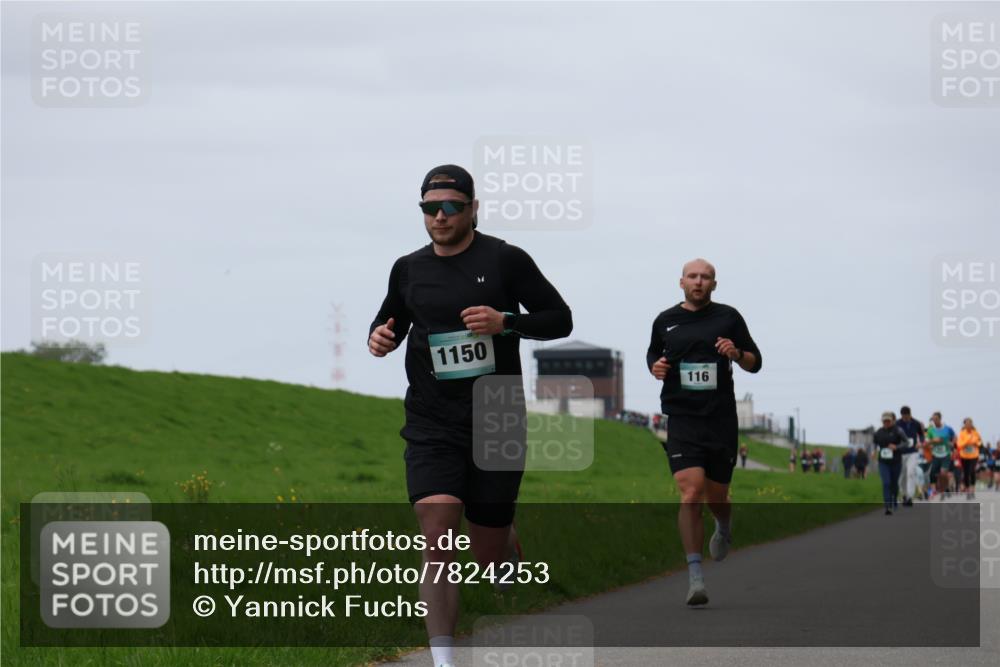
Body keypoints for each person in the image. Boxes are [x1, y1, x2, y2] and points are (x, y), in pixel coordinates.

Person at [368, 164, 573, 667]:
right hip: (432, 417)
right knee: (437, 529)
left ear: (473, 209)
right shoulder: (408, 268)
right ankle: (444, 659)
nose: (439, 216)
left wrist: (507, 323)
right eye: (429, 208)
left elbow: (560, 318)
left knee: (487, 552)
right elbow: (389, 317)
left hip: (497, 413)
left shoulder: (505, 260)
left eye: (451, 207)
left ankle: (503, 537)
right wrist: (379, 337)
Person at [647, 258, 762, 606]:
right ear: (681, 282)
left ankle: (723, 526)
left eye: (706, 277)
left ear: (714, 284)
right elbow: (654, 355)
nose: (699, 282)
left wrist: (737, 353)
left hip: (720, 420)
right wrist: (655, 366)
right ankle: (695, 576)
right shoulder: (665, 321)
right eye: (693, 276)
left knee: (716, 498)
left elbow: (755, 362)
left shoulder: (728, 317)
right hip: (682, 418)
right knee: (690, 492)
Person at [873, 411, 907, 515]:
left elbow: (906, 442)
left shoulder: (898, 430)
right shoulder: (878, 432)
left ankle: (894, 499)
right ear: (882, 421)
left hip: (896, 461)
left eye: (888, 420)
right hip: (883, 462)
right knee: (886, 483)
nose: (886, 422)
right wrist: (874, 451)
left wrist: (896, 447)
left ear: (892, 421)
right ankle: (888, 506)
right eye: (884, 421)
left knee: (894, 484)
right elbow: (874, 443)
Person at [895, 406, 925, 507]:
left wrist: (920, 442)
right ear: (901, 415)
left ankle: (909, 497)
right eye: (903, 417)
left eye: (907, 416)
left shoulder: (916, 423)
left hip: (913, 452)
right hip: (901, 453)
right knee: (902, 475)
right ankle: (904, 494)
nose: (905, 418)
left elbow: (921, 435)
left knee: (911, 473)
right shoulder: (897, 424)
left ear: (910, 414)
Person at [927, 412, 956, 501]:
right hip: (935, 454)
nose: (935, 421)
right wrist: (933, 441)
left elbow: (954, 436)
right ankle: (932, 492)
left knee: (943, 473)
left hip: (946, 454)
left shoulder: (947, 428)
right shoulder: (930, 430)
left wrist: (952, 443)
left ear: (940, 419)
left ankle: (943, 492)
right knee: (932, 474)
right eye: (933, 419)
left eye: (936, 419)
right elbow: (928, 441)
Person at [957, 417, 983, 500]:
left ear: (972, 424)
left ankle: (972, 490)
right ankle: (967, 490)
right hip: (964, 456)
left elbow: (980, 442)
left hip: (974, 455)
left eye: (970, 423)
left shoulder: (976, 433)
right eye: (966, 423)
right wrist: (968, 440)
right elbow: (959, 444)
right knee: (966, 473)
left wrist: (977, 443)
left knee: (972, 471)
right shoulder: (961, 433)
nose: (968, 425)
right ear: (964, 425)